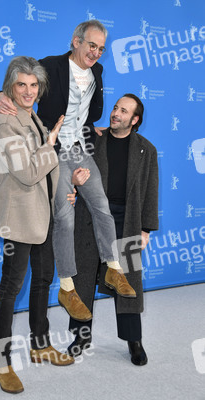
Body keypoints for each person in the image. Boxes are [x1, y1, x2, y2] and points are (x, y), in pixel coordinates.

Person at [0, 20, 136, 324]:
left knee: (101, 206)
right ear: (76, 41)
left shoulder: (97, 71)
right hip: (52, 149)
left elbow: (93, 111)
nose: (96, 53)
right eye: (91, 45)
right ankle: (68, 288)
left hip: (80, 146)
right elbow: (22, 86)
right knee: (65, 216)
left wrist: (88, 126)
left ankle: (113, 267)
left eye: (101, 48)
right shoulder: (51, 66)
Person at [0, 56, 90, 394]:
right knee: (10, 288)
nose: (28, 91)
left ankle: (40, 344)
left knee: (43, 279)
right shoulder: (4, 122)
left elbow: (46, 169)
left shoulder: (31, 116)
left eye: (33, 85)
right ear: (9, 88)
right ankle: (2, 363)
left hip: (42, 214)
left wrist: (63, 194)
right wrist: (50, 144)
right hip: (18, 219)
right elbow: (29, 172)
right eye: (21, 85)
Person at [68, 94, 159, 366]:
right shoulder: (91, 140)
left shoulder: (146, 150)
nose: (116, 113)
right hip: (91, 218)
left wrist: (146, 229)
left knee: (128, 283)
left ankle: (134, 342)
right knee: (83, 279)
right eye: (116, 108)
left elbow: (150, 191)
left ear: (135, 120)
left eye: (124, 111)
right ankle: (81, 337)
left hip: (127, 221)